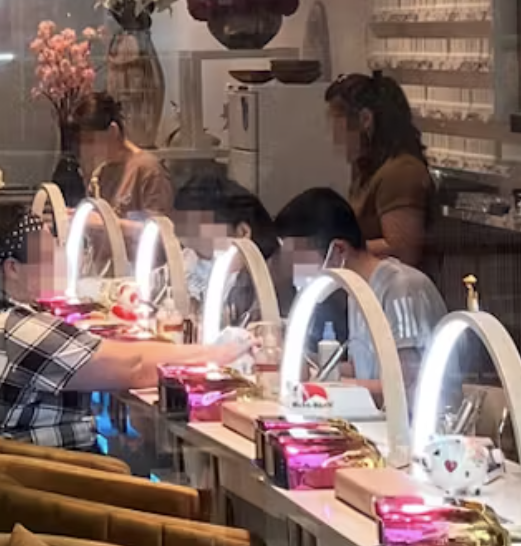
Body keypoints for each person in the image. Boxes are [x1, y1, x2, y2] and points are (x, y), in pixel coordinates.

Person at [0, 206, 250, 450]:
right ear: (12, 268)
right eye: (48, 254)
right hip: (35, 490)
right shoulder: (15, 331)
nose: (60, 260)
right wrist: (219, 353)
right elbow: (135, 366)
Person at [270, 186, 446, 387]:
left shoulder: (402, 289)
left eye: (302, 262)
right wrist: (307, 364)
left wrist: (326, 385)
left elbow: (405, 385)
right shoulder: (356, 291)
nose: (297, 274)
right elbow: (363, 368)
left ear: (338, 250)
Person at [325, 72, 432, 268]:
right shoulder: (367, 171)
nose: (333, 137)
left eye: (337, 125)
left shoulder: (401, 172)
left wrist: (332, 252)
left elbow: (403, 251)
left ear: (365, 119)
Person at [169, 173, 276, 332]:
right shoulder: (191, 256)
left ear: (242, 232)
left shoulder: (264, 282)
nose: (191, 251)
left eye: (197, 233)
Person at [68, 93, 174, 217]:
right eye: (83, 142)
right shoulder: (100, 175)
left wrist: (104, 222)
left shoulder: (149, 170)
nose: (88, 149)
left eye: (91, 140)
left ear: (113, 131)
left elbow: (159, 225)